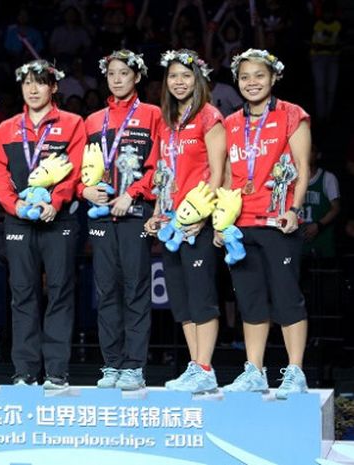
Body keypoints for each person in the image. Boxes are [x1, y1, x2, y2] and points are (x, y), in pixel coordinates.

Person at [0, 59, 85, 389]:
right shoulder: (8, 128)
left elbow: (77, 166)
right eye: (27, 82)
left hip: (59, 220)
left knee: (59, 292)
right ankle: (25, 371)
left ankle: (57, 370)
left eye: (40, 82)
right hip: (19, 221)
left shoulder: (72, 124)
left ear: (53, 87)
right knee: (23, 293)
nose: (33, 88)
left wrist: (55, 201)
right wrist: (14, 205)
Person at [220, 49, 311, 399]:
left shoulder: (292, 116)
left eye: (259, 75)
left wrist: (296, 208)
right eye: (245, 77)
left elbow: (302, 168)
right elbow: (228, 177)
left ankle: (295, 371)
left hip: (279, 222)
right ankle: (255, 370)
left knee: (287, 298)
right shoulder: (230, 123)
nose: (252, 82)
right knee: (250, 300)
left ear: (273, 78)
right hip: (242, 225)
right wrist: (221, 222)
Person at [144, 49, 225, 394]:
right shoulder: (165, 121)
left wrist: (204, 216)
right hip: (170, 224)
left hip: (198, 222)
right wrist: (156, 214)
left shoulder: (209, 117)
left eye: (186, 76)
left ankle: (206, 367)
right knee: (181, 299)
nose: (179, 82)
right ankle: (196, 366)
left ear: (198, 80)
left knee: (202, 295)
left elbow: (220, 174)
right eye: (173, 76)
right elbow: (162, 173)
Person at [83, 50, 161, 390]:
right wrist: (84, 190)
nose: (117, 79)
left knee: (136, 289)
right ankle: (112, 364)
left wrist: (135, 193)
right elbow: (79, 168)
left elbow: (159, 166)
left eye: (124, 74)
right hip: (101, 213)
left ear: (137, 77)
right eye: (111, 73)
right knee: (106, 290)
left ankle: (134, 365)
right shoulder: (93, 120)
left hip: (135, 213)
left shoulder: (153, 115)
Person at [301, 144, 340, 260]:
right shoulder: (293, 178)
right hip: (299, 239)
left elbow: (336, 208)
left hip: (322, 239)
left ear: (318, 155)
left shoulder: (328, 178)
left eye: (311, 151)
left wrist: (318, 225)